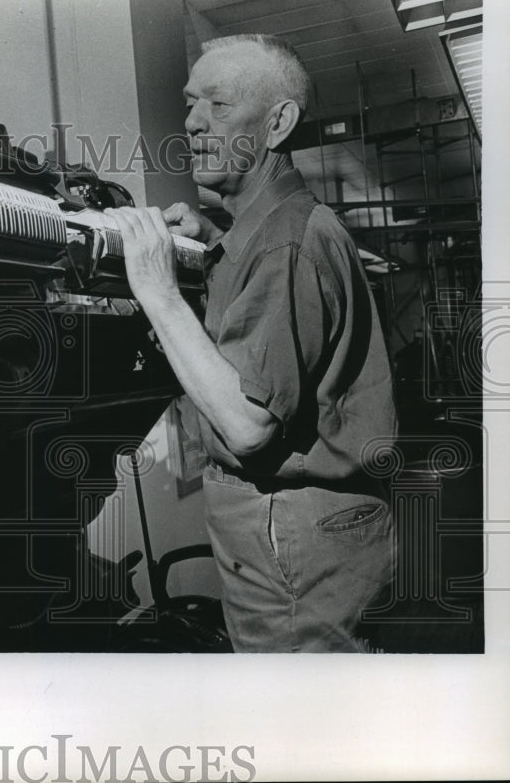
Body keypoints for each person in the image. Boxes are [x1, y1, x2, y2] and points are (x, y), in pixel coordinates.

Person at [107, 33, 397, 652]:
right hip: (316, 529)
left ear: (277, 123)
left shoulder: (284, 241)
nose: (191, 123)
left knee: (293, 726)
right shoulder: (273, 227)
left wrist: (158, 291)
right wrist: (214, 242)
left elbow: (247, 426)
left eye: (218, 105)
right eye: (190, 104)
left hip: (291, 529)